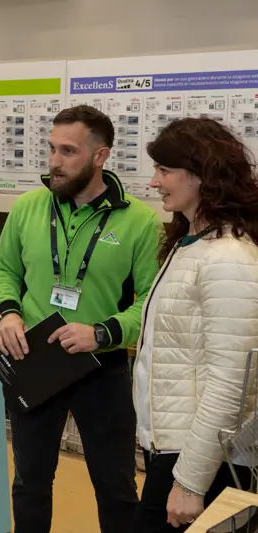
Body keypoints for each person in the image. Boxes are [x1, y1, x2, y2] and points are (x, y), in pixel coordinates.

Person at [0, 104, 165, 533]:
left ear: (100, 156)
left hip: (101, 371)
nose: (54, 162)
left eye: (68, 151)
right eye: (52, 149)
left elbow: (153, 304)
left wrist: (103, 332)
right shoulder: (29, 207)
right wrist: (8, 312)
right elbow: (4, 270)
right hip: (34, 360)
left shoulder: (141, 223)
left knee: (116, 490)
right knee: (30, 484)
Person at [133, 117, 258, 532]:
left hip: (201, 460)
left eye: (164, 170)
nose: (154, 182)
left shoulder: (228, 258)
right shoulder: (192, 243)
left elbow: (230, 384)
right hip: (175, 451)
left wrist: (190, 481)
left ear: (203, 175)